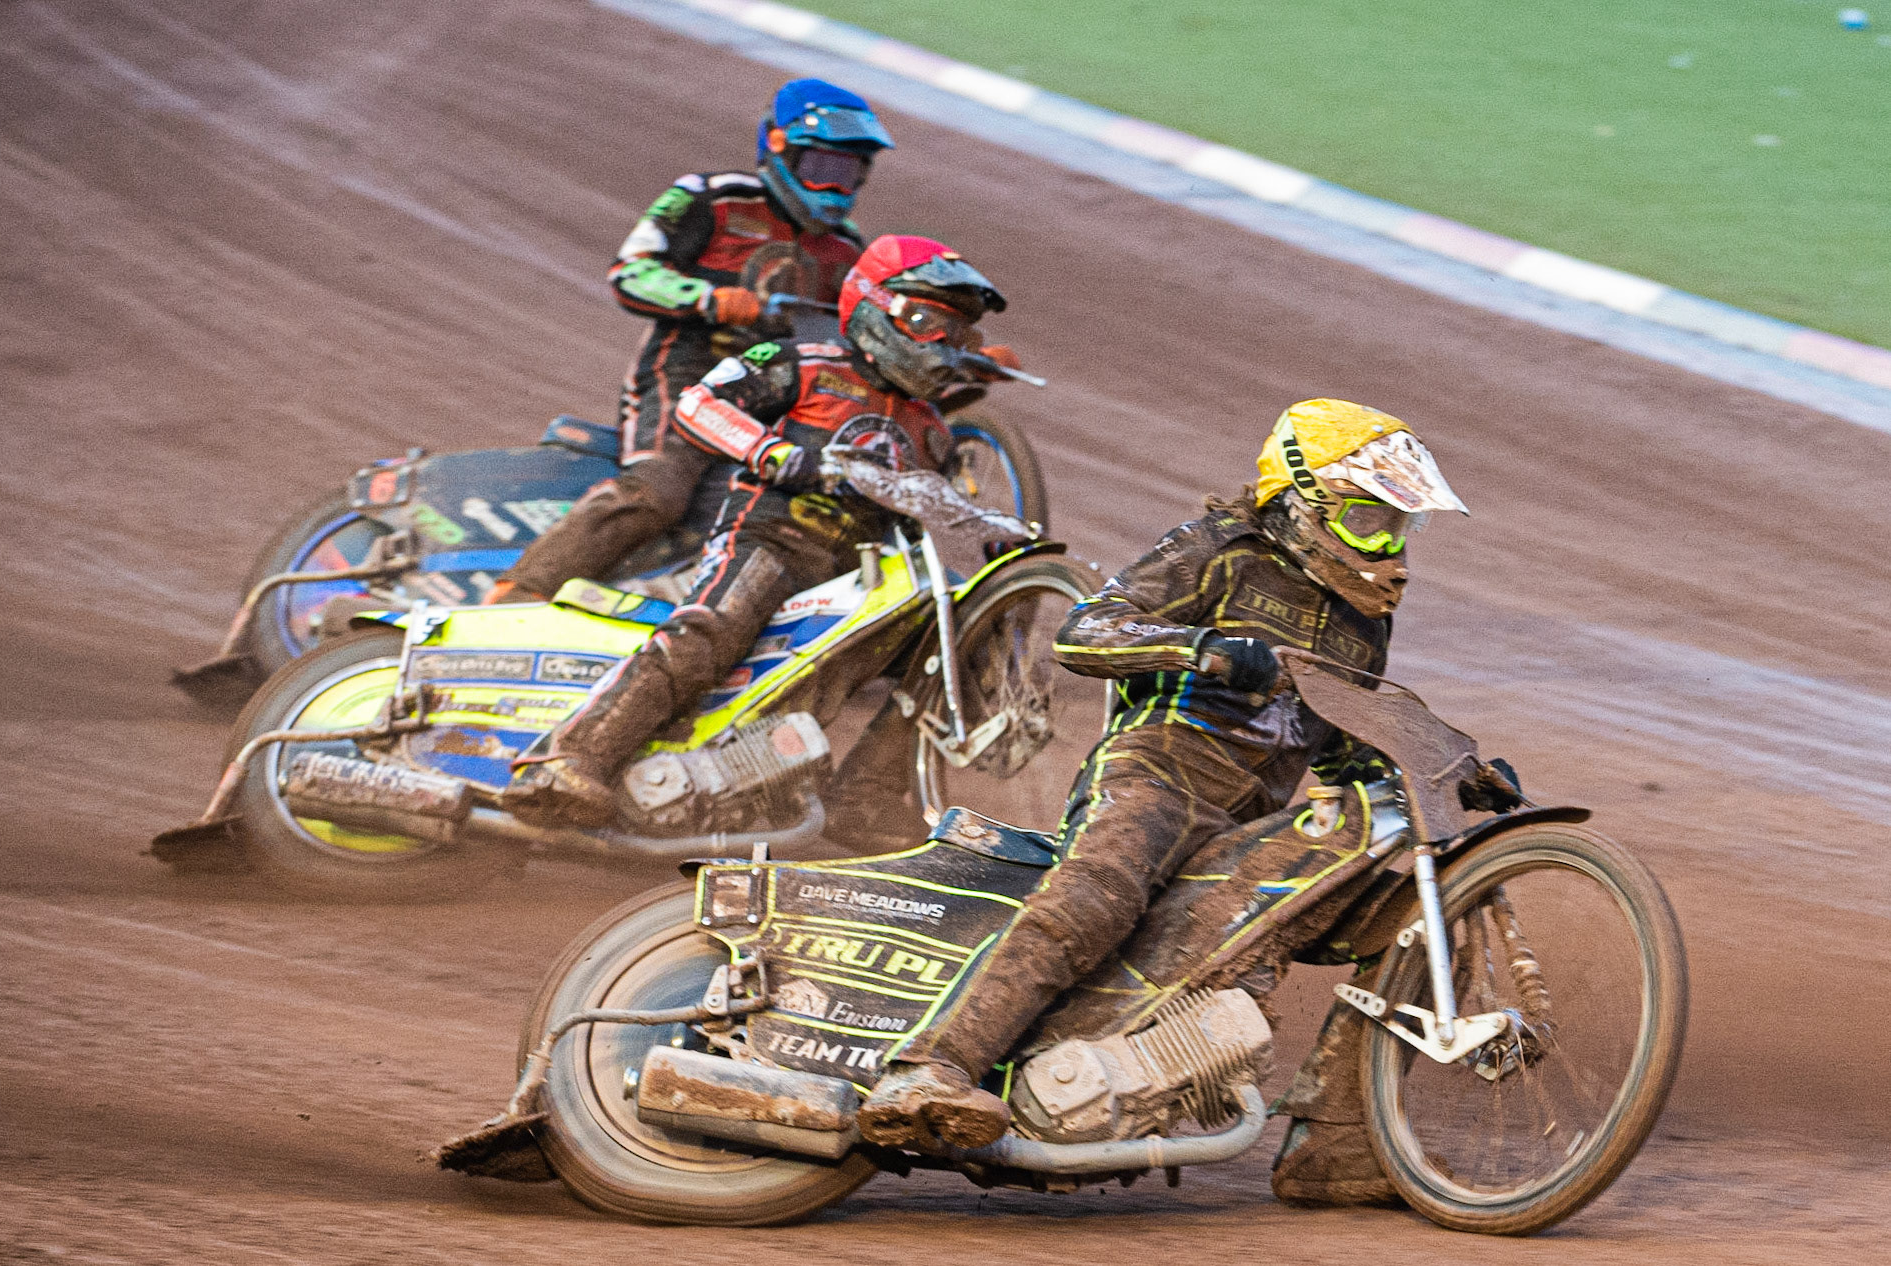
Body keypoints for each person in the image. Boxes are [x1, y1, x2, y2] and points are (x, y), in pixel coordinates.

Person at [856, 399, 1472, 1203]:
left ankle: (1340, 1145)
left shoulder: (1360, 623)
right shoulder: (1218, 551)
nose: (1388, 549)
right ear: (1300, 503)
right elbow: (1085, 631)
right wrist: (1206, 651)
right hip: (1160, 774)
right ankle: (932, 1068)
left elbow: (1345, 744)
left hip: (1252, 827)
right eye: (1370, 519)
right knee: (1096, 897)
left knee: (1421, 923)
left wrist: (1452, 767)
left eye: (1400, 526)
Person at [500, 235, 1009, 828]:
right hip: (770, 537)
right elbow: (697, 404)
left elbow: (932, 507)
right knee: (708, 635)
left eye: (958, 334)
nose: (943, 345)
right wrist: (772, 453)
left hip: (861, 574)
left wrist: (992, 538)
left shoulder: (933, 429)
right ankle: (567, 759)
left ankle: (864, 796)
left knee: (957, 645)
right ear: (874, 306)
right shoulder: (805, 362)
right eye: (926, 321)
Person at [487, 78, 893, 604]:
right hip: (684, 374)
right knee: (657, 491)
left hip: (772, 397)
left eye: (852, 171)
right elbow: (630, 271)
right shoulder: (711, 197)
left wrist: (958, 358)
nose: (837, 187)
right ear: (780, 148)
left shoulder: (846, 248)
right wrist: (711, 299)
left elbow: (863, 337)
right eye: (823, 168)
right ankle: (518, 592)